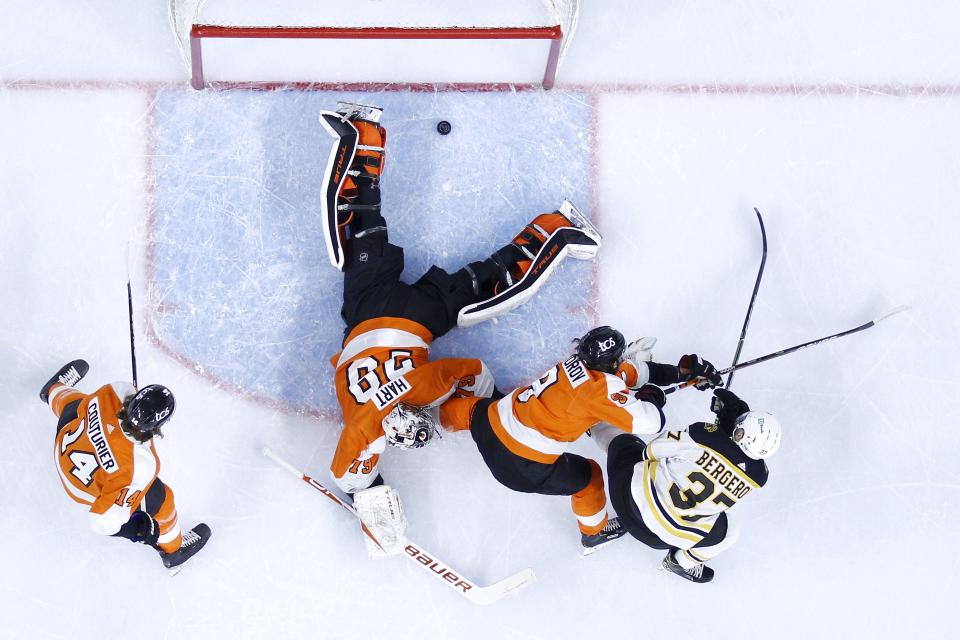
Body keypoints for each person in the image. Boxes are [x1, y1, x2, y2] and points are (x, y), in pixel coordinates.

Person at [321, 102, 603, 500]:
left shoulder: (414, 397)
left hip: (417, 318)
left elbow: (470, 369)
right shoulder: (362, 427)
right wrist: (363, 486)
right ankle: (364, 139)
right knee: (365, 232)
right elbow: (346, 473)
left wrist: (497, 404)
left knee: (485, 283)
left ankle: (557, 229)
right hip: (366, 312)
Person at [439, 325, 722, 552]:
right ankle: (594, 534)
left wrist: (680, 374)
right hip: (517, 465)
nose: (624, 360)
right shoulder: (601, 389)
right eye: (620, 357)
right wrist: (651, 397)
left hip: (488, 422)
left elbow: (632, 373)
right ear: (610, 363)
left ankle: (427, 419)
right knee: (589, 477)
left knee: (471, 410)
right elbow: (651, 421)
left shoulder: (577, 363)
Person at [590, 387, 781, 583]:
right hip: (662, 540)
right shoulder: (758, 477)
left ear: (741, 433)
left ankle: (591, 419)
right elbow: (733, 457)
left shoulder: (703, 435)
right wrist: (725, 434)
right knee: (730, 531)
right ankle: (679, 562)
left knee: (626, 444)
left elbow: (651, 452)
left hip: (627, 501)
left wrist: (720, 431)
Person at [40, 359, 210, 572]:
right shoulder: (140, 466)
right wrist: (138, 529)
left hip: (65, 444)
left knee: (76, 404)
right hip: (78, 487)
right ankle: (173, 550)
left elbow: (116, 415)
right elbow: (102, 522)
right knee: (163, 499)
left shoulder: (116, 391)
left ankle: (53, 390)